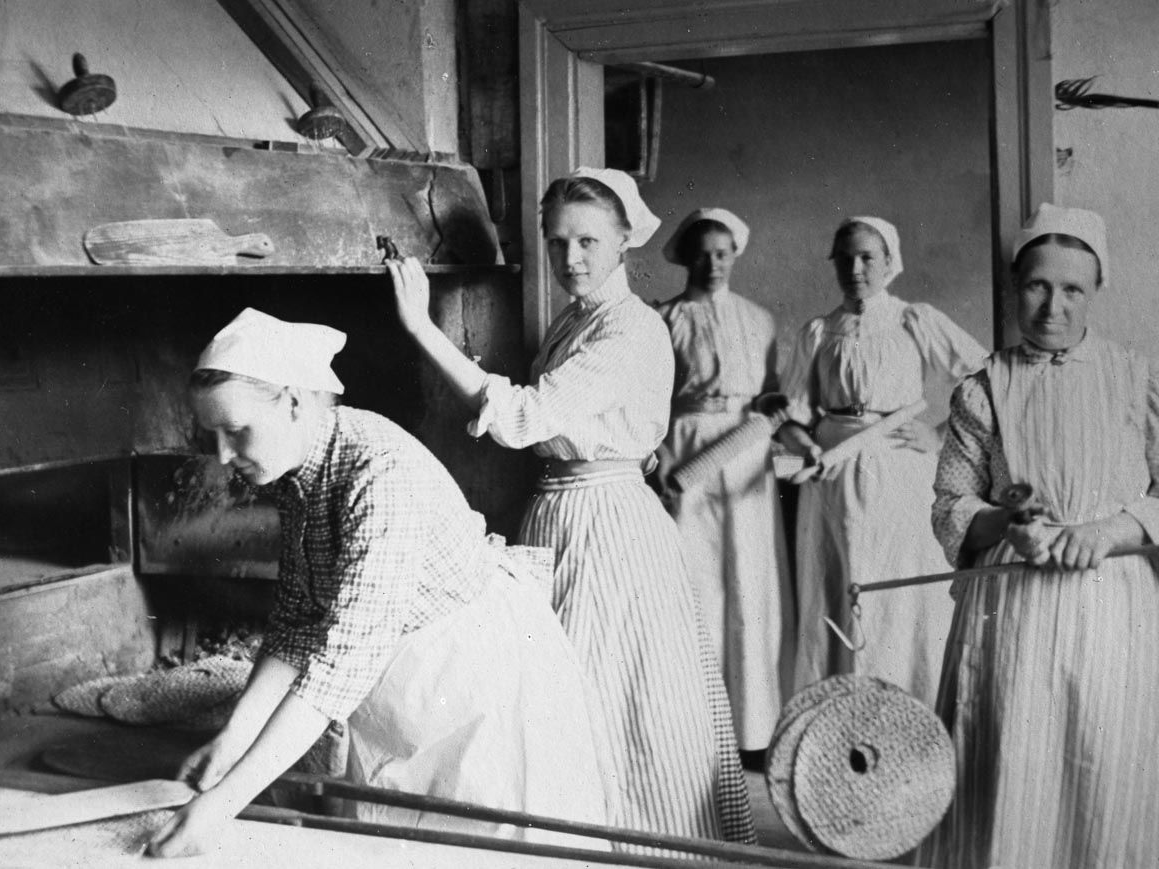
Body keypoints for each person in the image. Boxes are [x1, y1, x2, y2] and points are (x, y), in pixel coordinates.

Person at [147, 308, 612, 857]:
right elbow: (297, 620)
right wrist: (234, 737)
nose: (223, 456)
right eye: (213, 436)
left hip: (473, 673)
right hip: (405, 673)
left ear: (295, 403)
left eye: (236, 430)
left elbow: (340, 660)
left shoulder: (378, 472)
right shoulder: (300, 472)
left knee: (491, 841)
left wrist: (223, 803)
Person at [390, 168, 756, 844]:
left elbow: (528, 416)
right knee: (564, 700)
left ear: (625, 242)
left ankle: (645, 850)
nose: (571, 258)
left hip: (609, 525)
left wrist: (422, 328)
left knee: (620, 701)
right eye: (557, 243)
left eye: (588, 240)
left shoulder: (631, 329)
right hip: (560, 514)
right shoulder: (574, 322)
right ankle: (583, 848)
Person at [920, 205, 1159, 868]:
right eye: (1037, 286)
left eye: (1073, 288)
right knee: (1013, 753)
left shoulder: (1138, 382)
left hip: (1114, 600)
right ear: (1015, 287)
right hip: (1012, 607)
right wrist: (1006, 523)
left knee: (1102, 759)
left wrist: (1116, 527)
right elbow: (951, 503)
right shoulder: (982, 390)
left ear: (1095, 292)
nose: (1053, 305)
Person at [777, 216, 986, 704]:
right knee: (836, 584)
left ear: (890, 262)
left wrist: (938, 433)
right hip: (832, 474)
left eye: (868, 256)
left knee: (896, 592)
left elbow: (985, 377)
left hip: (899, 467)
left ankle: (907, 713)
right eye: (845, 257)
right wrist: (806, 445)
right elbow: (790, 414)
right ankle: (834, 718)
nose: (856, 267)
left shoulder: (915, 320)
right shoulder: (817, 332)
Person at [654, 208, 793, 757]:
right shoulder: (664, 319)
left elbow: (772, 394)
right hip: (685, 449)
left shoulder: (759, 320)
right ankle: (697, 727)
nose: (712, 264)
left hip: (745, 451)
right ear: (686, 255)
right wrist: (662, 456)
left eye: (723, 252)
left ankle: (754, 731)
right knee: (697, 582)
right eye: (703, 252)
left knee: (749, 583)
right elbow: (652, 397)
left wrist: (770, 413)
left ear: (736, 255)